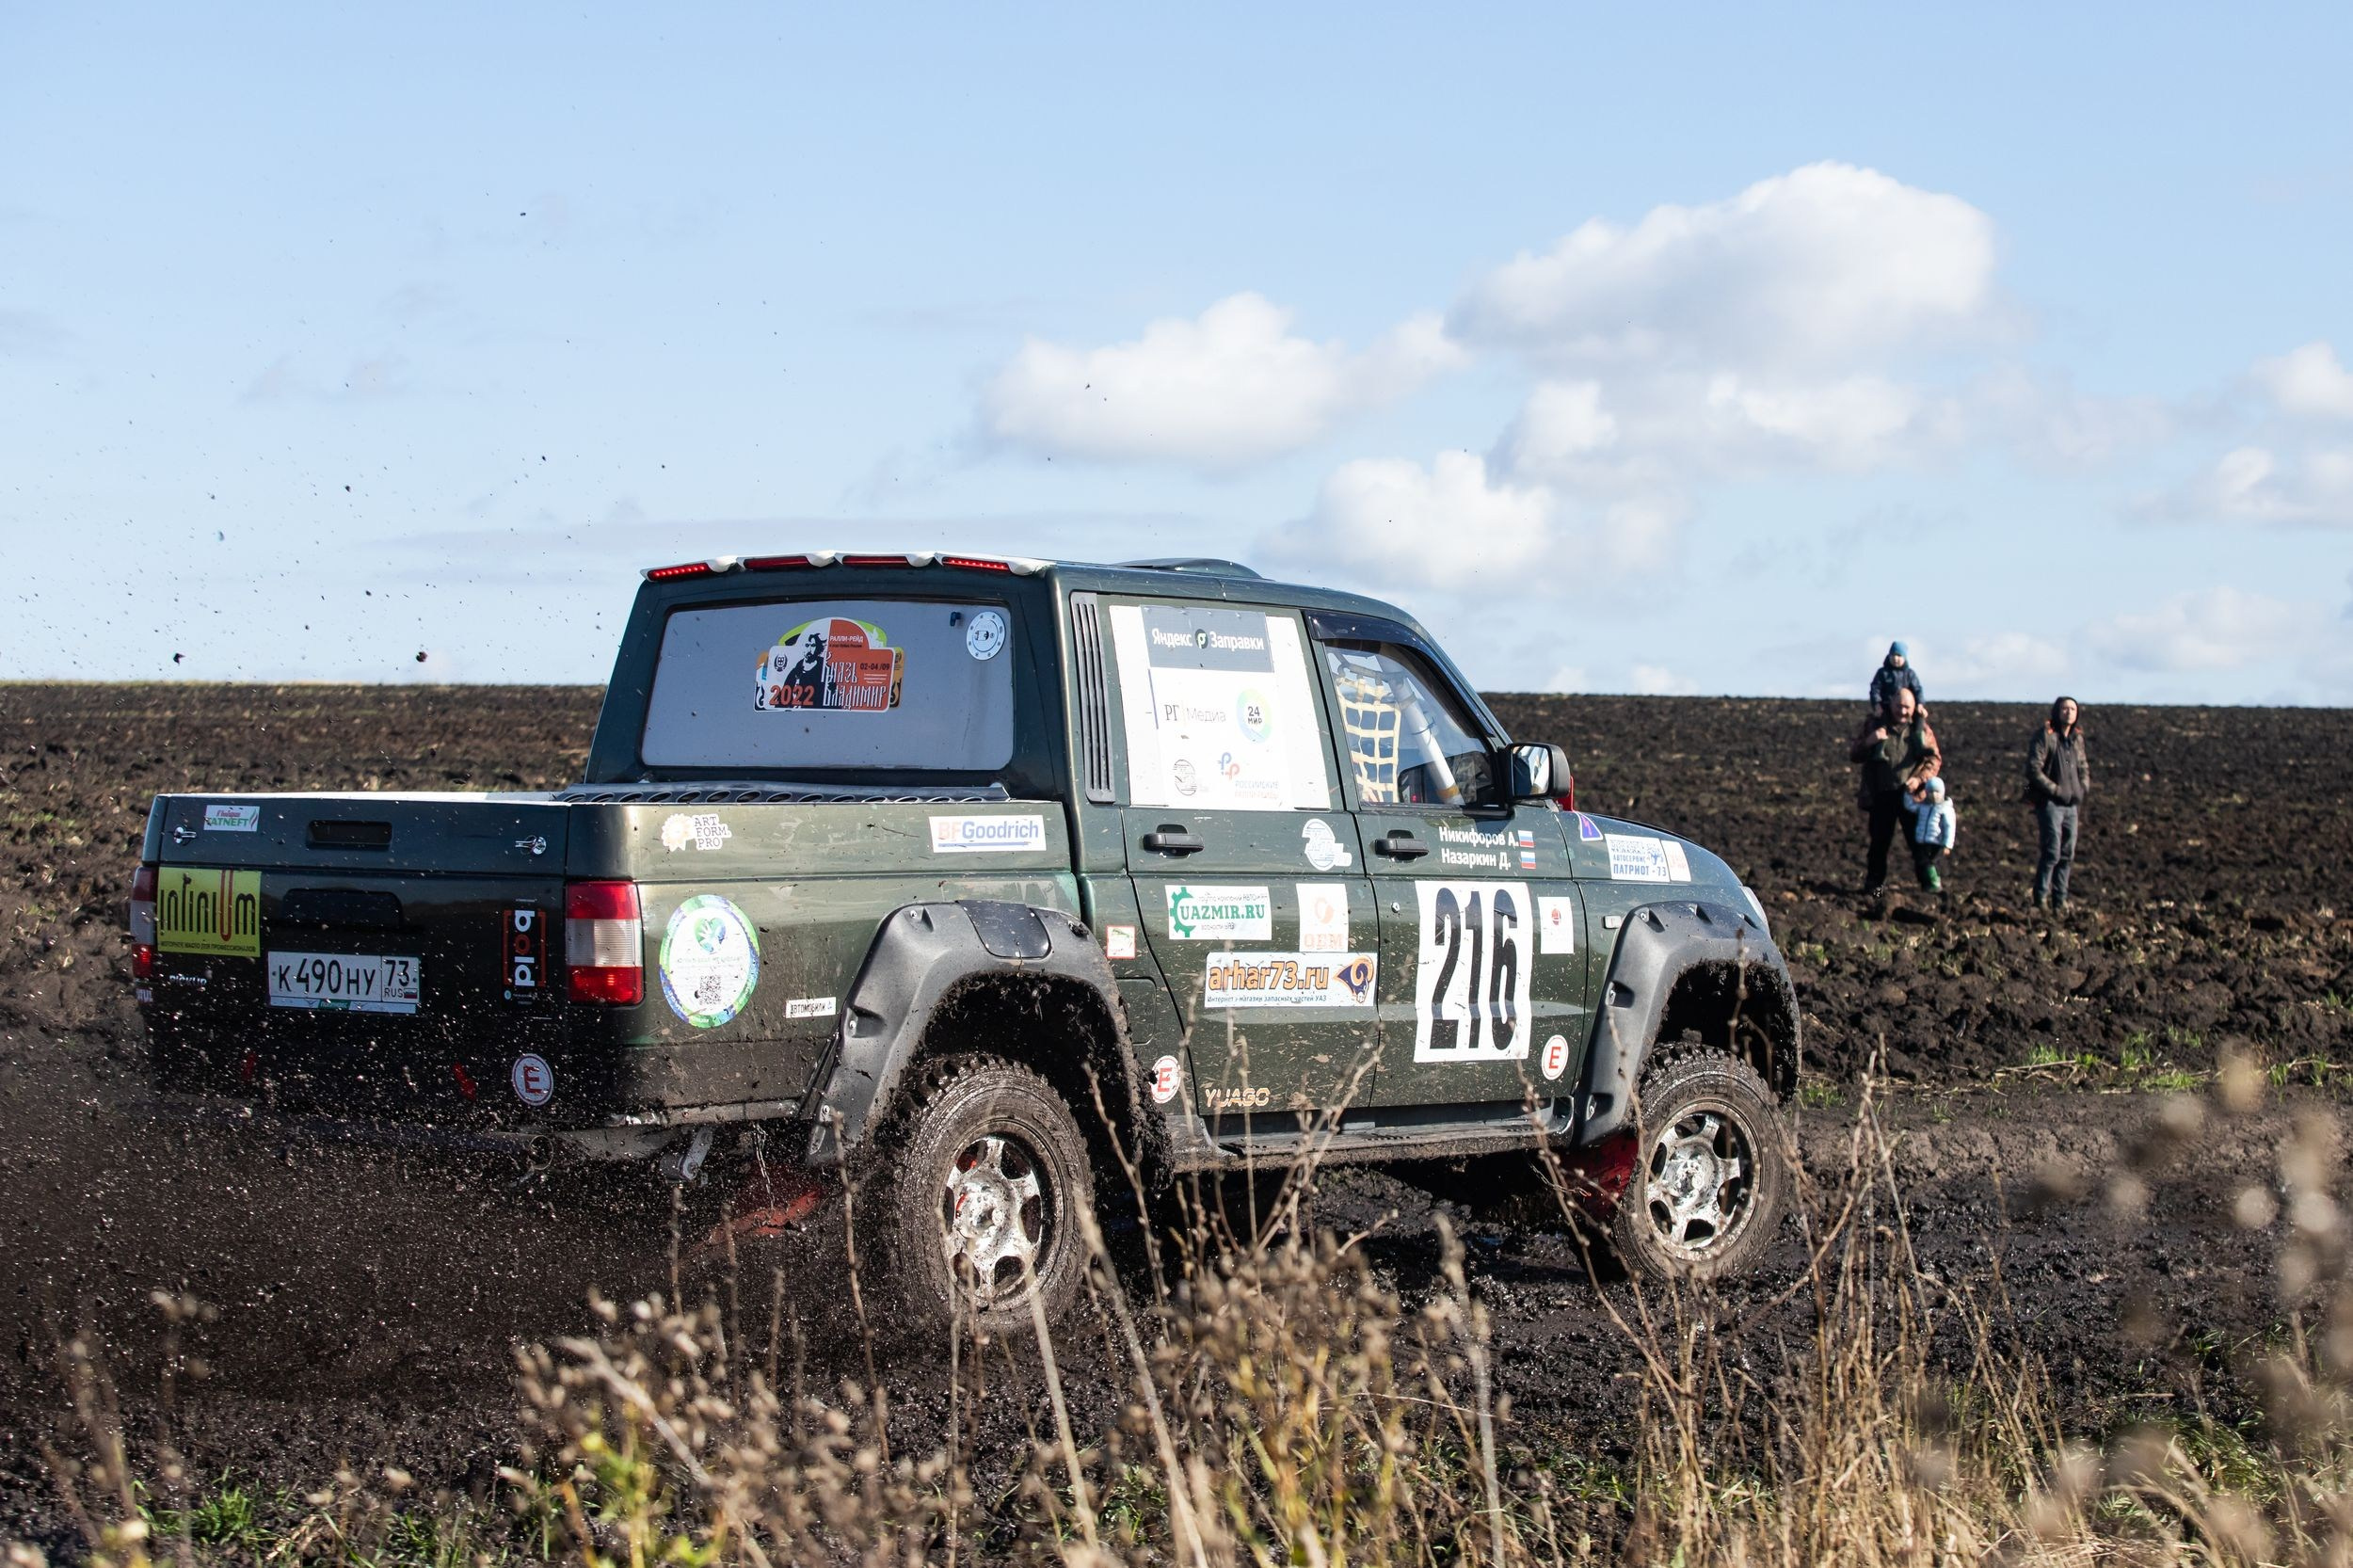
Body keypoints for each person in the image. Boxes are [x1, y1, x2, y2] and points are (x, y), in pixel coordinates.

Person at [1849, 686, 1941, 893]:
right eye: (1899, 706)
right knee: (1879, 846)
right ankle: (1875, 890)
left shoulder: (1920, 729)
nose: (1903, 711)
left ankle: (1931, 887)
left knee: (1919, 844)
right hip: (1881, 796)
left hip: (1911, 797)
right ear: (1891, 704)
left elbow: (1933, 759)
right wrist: (1870, 741)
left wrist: (1919, 779)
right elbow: (1854, 754)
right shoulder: (1875, 724)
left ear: (1914, 707)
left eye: (1907, 707)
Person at [2025, 695, 2089, 910]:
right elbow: (2034, 769)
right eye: (2065, 708)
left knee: (2067, 853)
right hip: (2050, 803)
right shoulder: (2046, 735)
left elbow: (2082, 766)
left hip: (2072, 805)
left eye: (2072, 708)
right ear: (2056, 711)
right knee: (2052, 851)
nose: (2069, 712)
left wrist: (2082, 788)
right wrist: (2055, 790)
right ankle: (2041, 897)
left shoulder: (2076, 738)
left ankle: (2060, 900)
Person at [1911, 776, 1956, 892]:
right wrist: (1907, 793)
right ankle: (1927, 884)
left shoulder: (1945, 809)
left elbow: (1949, 827)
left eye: (1937, 792)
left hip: (1936, 841)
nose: (1934, 795)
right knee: (1921, 863)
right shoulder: (1923, 807)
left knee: (1930, 863)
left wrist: (1947, 844)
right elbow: (1910, 807)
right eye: (1931, 792)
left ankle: (1935, 883)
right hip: (1923, 841)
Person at [1868, 641, 1925, 710]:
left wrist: (1920, 703)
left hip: (1907, 707)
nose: (1895, 658)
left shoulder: (1910, 674)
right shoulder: (1882, 673)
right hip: (1887, 706)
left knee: (1920, 716)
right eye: (1893, 655)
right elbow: (1875, 689)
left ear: (1904, 658)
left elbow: (1918, 689)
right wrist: (1877, 704)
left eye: (1899, 655)